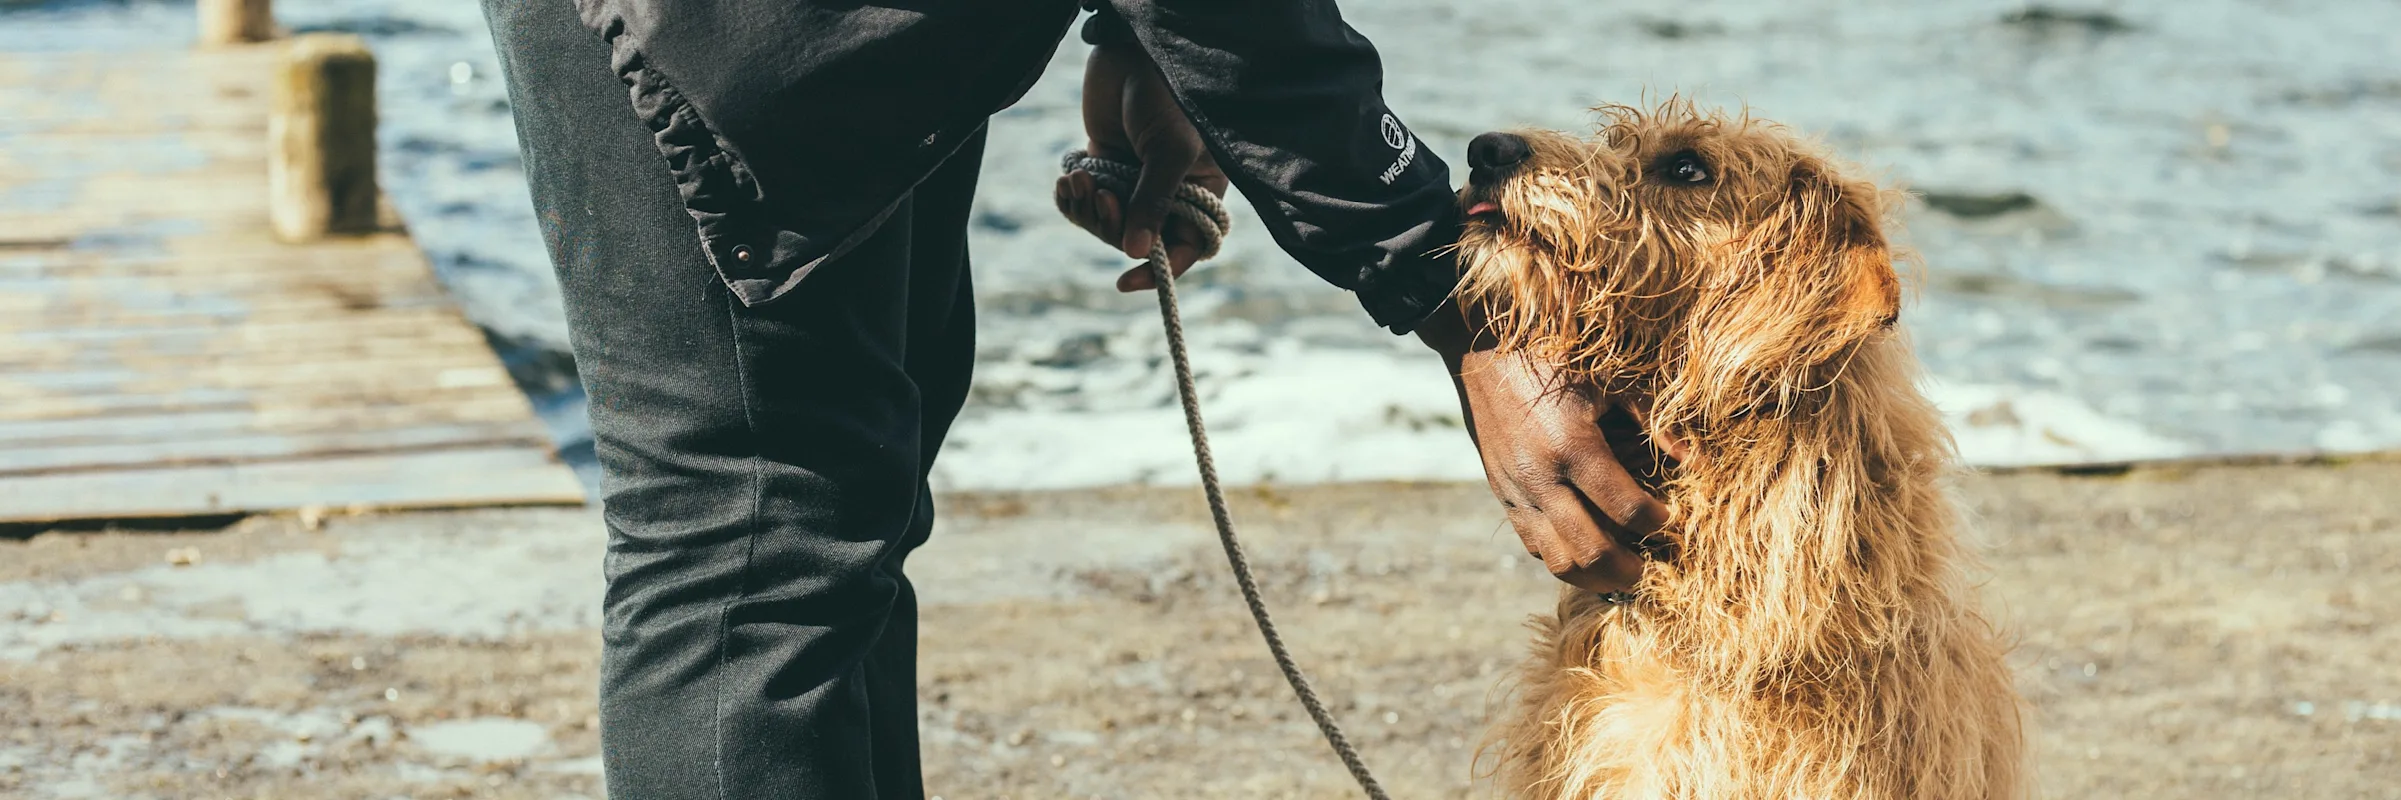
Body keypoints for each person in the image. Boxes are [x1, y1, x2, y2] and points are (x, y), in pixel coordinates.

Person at [477, 0, 1668, 796]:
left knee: (841, 523)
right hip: (711, 37)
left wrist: (1144, 34)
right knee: (749, 551)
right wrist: (1440, 286)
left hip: (858, 38)